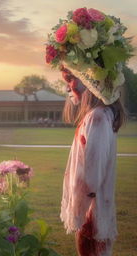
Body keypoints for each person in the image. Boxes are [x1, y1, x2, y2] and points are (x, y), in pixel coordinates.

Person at [46, 7, 133, 256]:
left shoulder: (97, 119)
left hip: (91, 215)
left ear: (91, 79)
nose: (69, 87)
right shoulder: (97, 117)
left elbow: (91, 179)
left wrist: (80, 214)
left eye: (72, 79)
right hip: (92, 212)